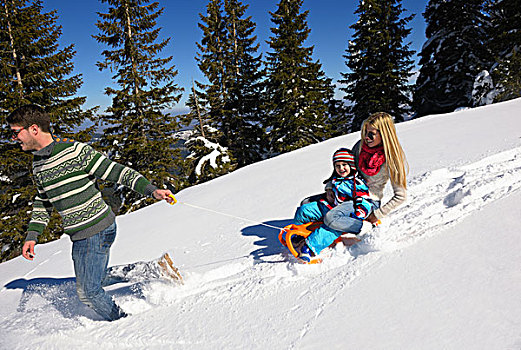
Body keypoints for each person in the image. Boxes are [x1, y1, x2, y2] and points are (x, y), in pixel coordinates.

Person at [7, 104, 177, 321]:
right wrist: (32, 236)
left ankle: (126, 323)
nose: (14, 139)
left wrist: (151, 190)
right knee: (95, 277)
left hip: (93, 231)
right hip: (89, 232)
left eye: (15, 133)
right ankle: (152, 269)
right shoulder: (38, 164)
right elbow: (43, 201)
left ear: (33, 129)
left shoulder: (74, 151)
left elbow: (115, 171)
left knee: (88, 292)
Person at [295, 112, 408, 261]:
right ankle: (302, 232)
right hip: (346, 191)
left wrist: (376, 215)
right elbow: (344, 166)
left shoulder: (391, 160)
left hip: (367, 201)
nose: (366, 137)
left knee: (332, 217)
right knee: (306, 204)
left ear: (384, 135)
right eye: (366, 132)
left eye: (372, 134)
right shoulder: (361, 146)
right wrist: (330, 186)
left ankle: (359, 227)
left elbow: (401, 196)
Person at [292, 148, 377, 262]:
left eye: (344, 165)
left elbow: (364, 200)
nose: (341, 168)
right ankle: (300, 233)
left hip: (346, 212)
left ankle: (310, 247)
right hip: (330, 206)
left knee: (332, 224)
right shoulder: (337, 179)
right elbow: (331, 184)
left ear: (351, 165)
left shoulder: (357, 183)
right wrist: (329, 188)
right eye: (338, 166)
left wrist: (359, 214)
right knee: (304, 210)